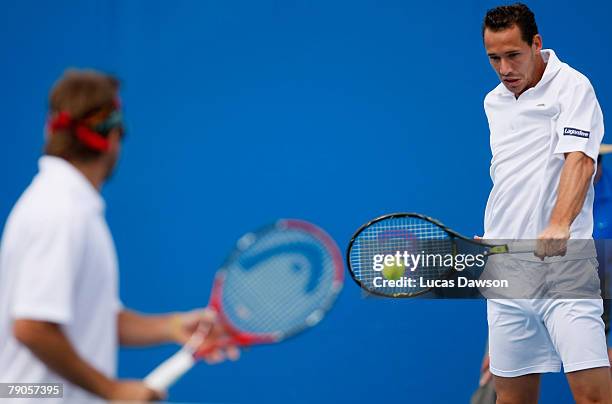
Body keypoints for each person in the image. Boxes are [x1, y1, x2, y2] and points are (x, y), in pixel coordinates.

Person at [0, 69, 238, 403]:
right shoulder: (60, 210)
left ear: (50, 130)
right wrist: (112, 390)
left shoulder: (66, 204)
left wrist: (173, 327)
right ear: (113, 138)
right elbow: (31, 327)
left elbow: (93, 318)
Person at [479, 3, 612, 403]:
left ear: (536, 44)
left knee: (593, 397)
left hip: (564, 268)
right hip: (508, 268)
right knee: (511, 399)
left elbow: (580, 160)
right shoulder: (494, 102)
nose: (505, 69)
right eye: (494, 58)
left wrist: (559, 224)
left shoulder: (572, 86)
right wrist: (495, 236)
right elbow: (511, 179)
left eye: (513, 55)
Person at [472, 148, 612, 404]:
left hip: (596, 300)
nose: (587, 168)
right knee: (495, 378)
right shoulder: (544, 195)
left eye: (593, 160)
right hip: (527, 290)